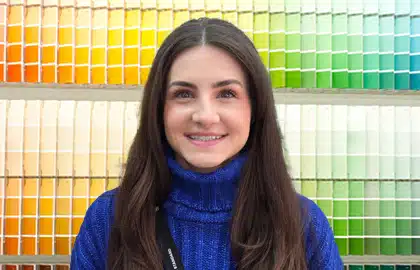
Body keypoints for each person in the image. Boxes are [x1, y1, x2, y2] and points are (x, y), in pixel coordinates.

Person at [70, 18, 343, 270]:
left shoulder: (304, 224)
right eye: (184, 94)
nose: (205, 116)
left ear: (255, 108)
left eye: (226, 93)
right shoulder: (108, 219)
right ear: (159, 109)